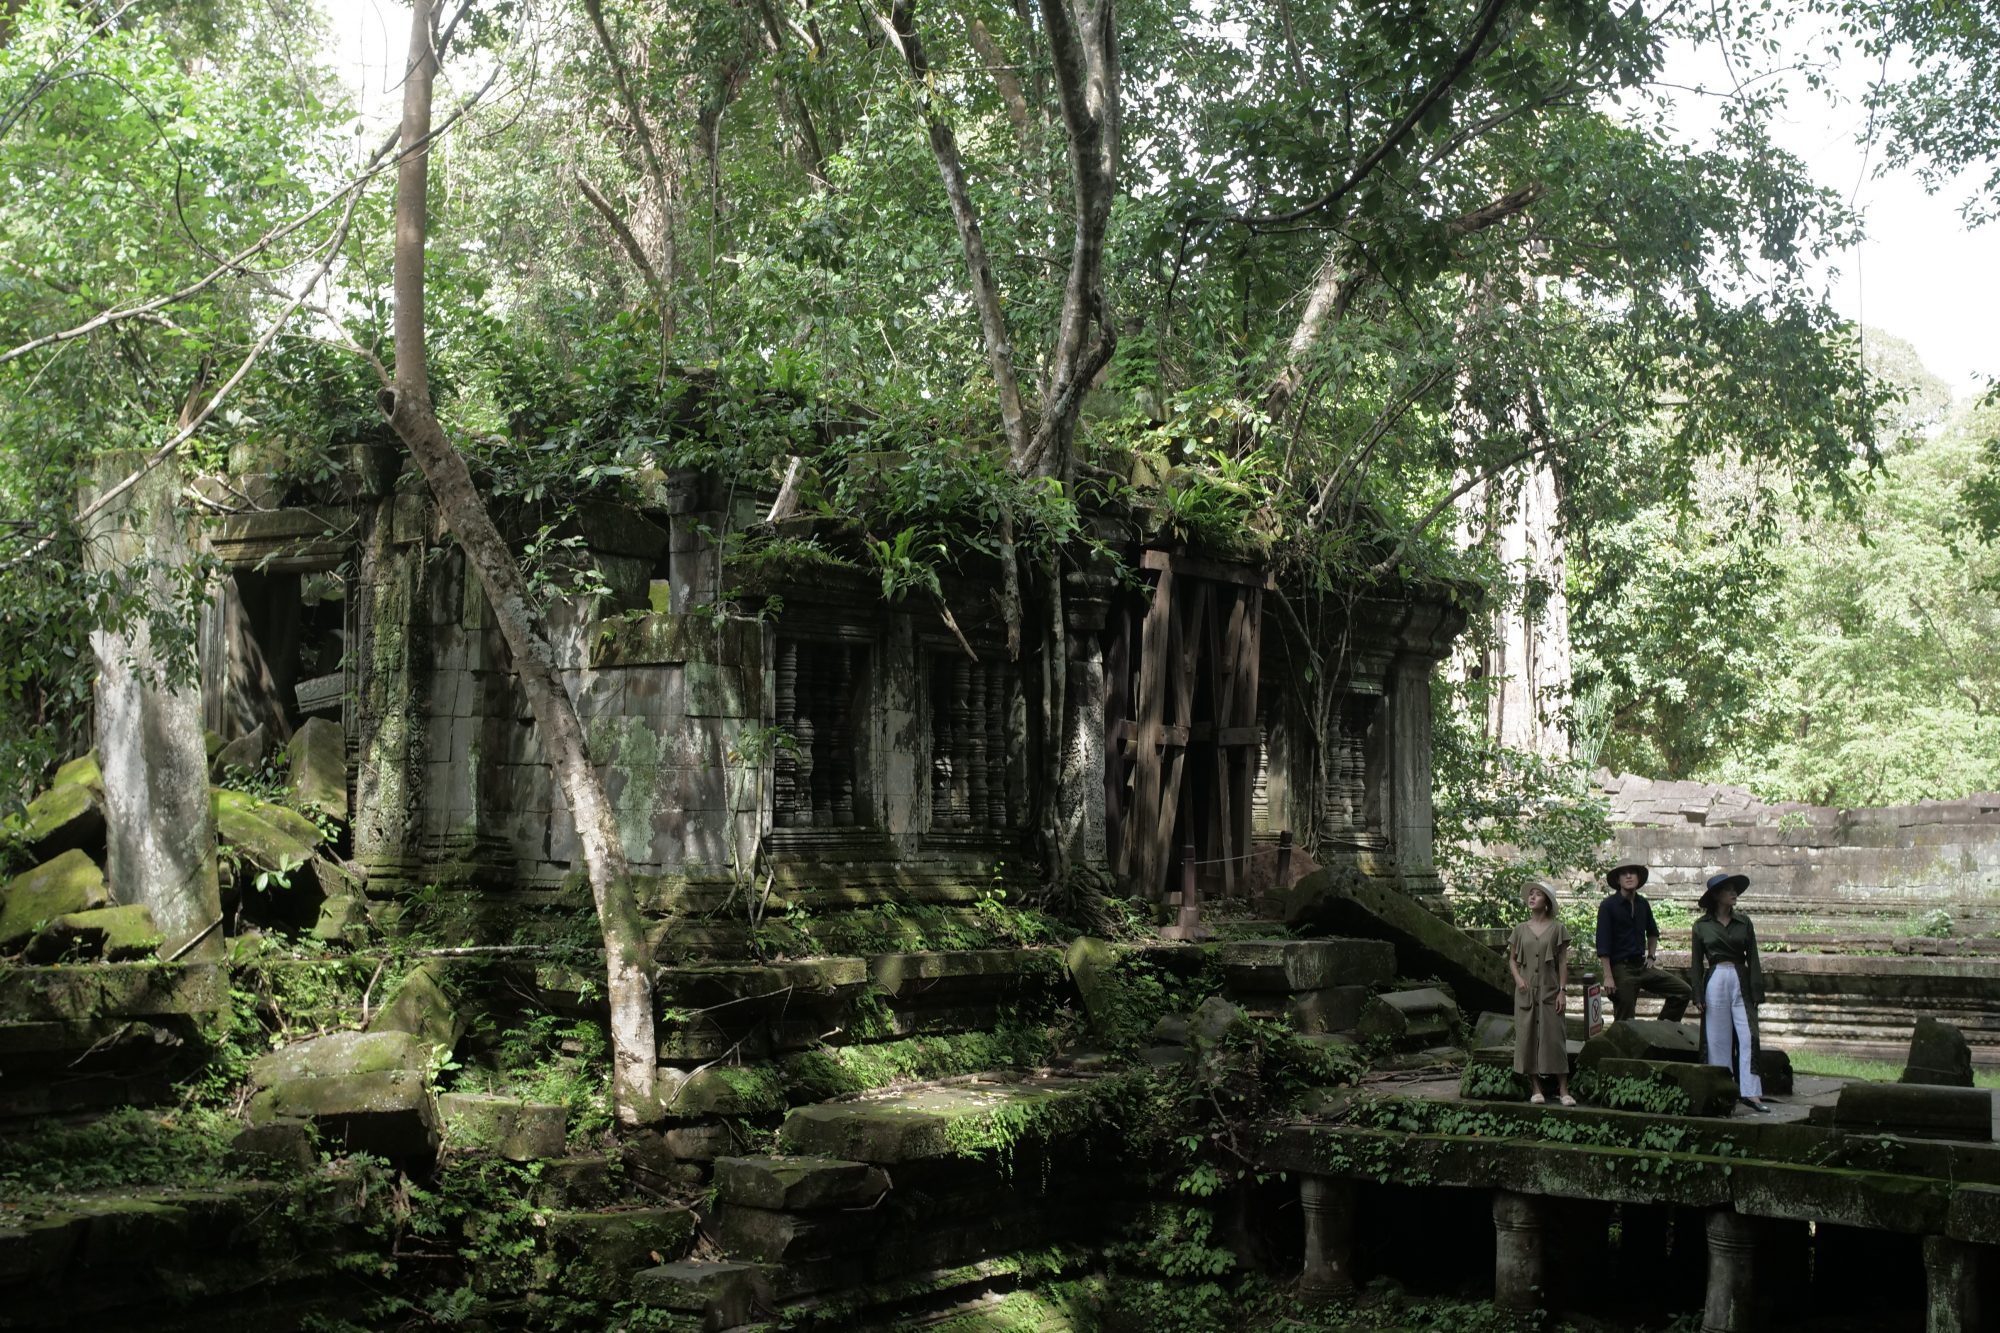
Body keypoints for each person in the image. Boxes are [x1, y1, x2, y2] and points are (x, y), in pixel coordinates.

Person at [1690, 871, 1771, 1113]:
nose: (1734, 893)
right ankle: (1721, 1091)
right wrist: (1697, 995)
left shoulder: (1744, 922)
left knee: (1749, 1037)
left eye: (1735, 889)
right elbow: (1695, 964)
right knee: (1717, 1039)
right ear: (1716, 896)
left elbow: (1753, 958)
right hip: (1715, 979)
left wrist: (1757, 991)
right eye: (1729, 890)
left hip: (1741, 979)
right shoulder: (1701, 926)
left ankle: (1751, 1092)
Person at [1594, 863, 1692, 1023]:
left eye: (1632, 873)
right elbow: (1603, 944)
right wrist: (1608, 976)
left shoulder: (1642, 904)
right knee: (1625, 1020)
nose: (1629, 876)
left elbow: (1652, 932)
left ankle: (1658, 1033)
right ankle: (1622, 1045)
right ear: (1618, 880)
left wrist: (1651, 956)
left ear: (1638, 879)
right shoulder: (1608, 906)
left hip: (1642, 966)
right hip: (1621, 968)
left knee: (1683, 991)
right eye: (1624, 874)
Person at [1510, 879, 1574, 1106]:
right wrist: (1518, 979)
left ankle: (1564, 1089)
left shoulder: (1558, 928)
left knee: (1555, 1037)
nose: (1532, 897)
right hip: (1526, 992)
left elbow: (1563, 963)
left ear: (1546, 900)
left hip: (1550, 990)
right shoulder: (1519, 929)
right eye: (1531, 894)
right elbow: (1513, 960)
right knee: (1527, 1037)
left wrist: (1562, 991)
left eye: (1537, 894)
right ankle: (1535, 1088)